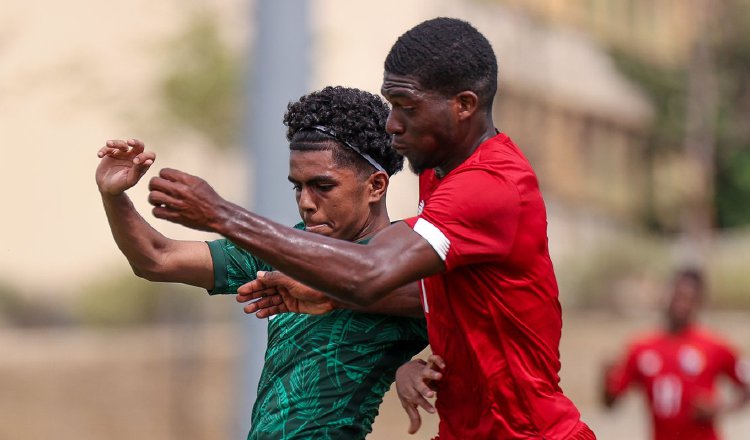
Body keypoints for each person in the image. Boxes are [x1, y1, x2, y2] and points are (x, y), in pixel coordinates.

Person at [146, 17, 595, 439]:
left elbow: (371, 271)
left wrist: (222, 214)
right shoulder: (439, 175)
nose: (391, 124)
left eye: (407, 107)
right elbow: (440, 292)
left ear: (463, 106)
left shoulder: (489, 185)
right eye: (391, 105)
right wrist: (332, 294)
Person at [96, 86, 428, 440]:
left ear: (375, 186)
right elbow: (157, 258)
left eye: (322, 186)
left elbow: (471, 313)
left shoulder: (404, 260)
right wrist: (113, 196)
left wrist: (420, 368)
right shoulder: (288, 248)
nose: (306, 202)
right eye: (297, 187)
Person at [603, 268, 750, 440]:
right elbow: (610, 403)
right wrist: (605, 378)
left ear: (699, 303)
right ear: (667, 295)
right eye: (678, 296)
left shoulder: (715, 346)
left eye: (690, 299)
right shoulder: (641, 348)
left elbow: (746, 386)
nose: (682, 304)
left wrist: (720, 408)